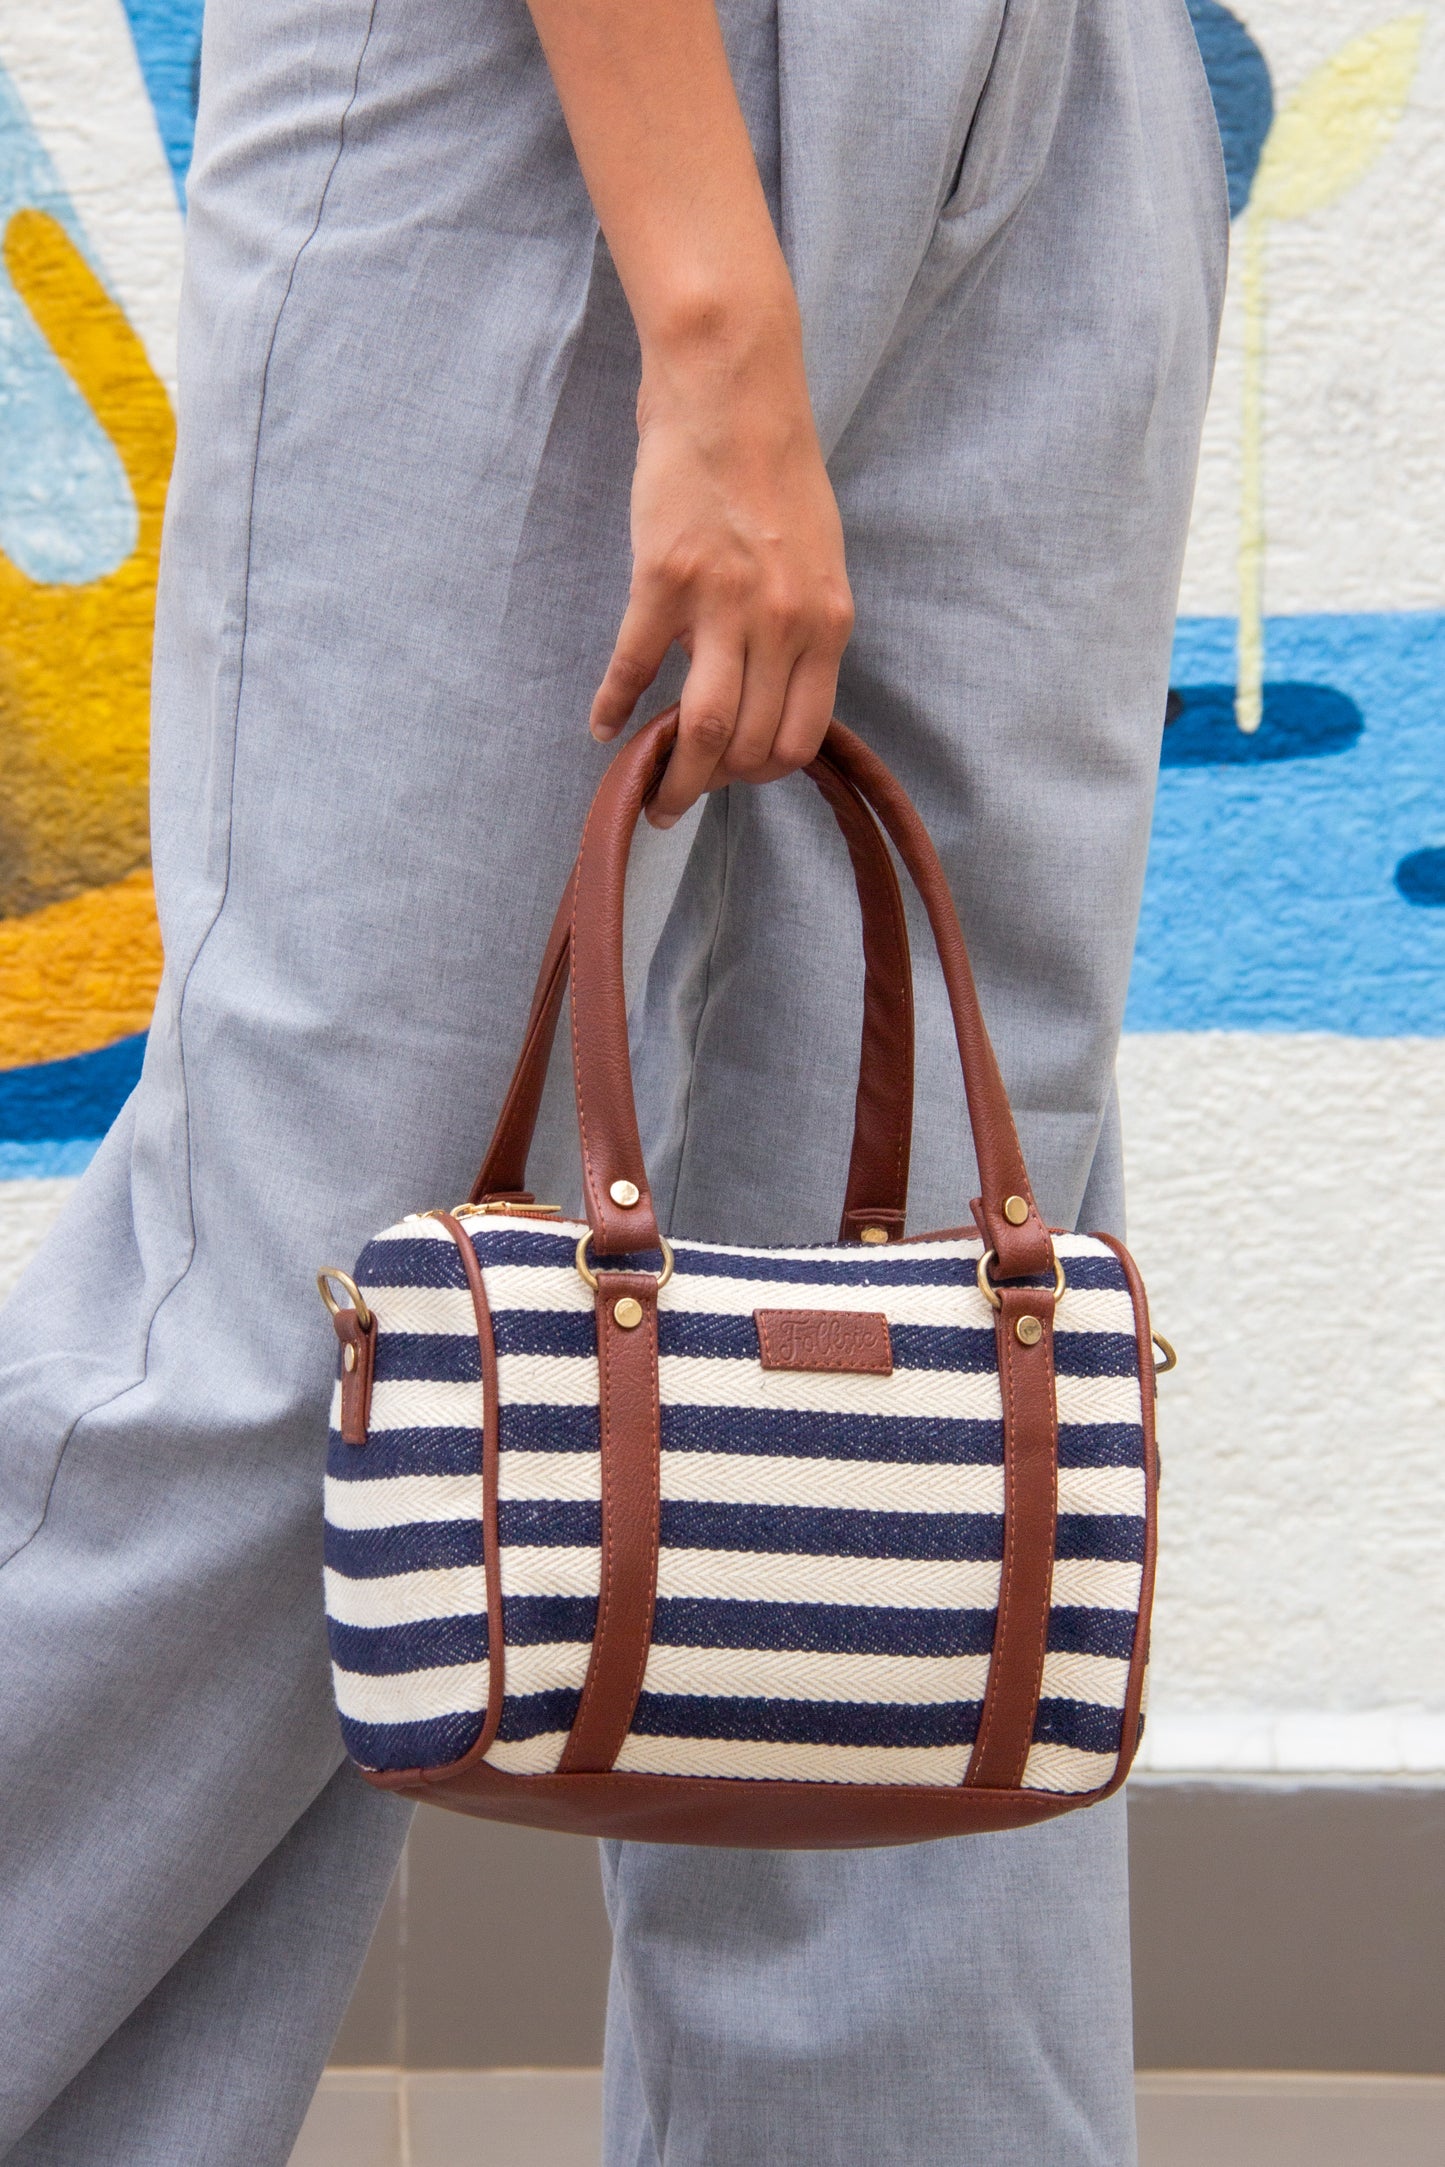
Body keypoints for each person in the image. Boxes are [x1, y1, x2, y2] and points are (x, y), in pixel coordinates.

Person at [0, 0, 1224, 2159]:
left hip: (1070, 80)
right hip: (549, 92)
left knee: (912, 1416)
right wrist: (708, 290)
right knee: (315, 1307)